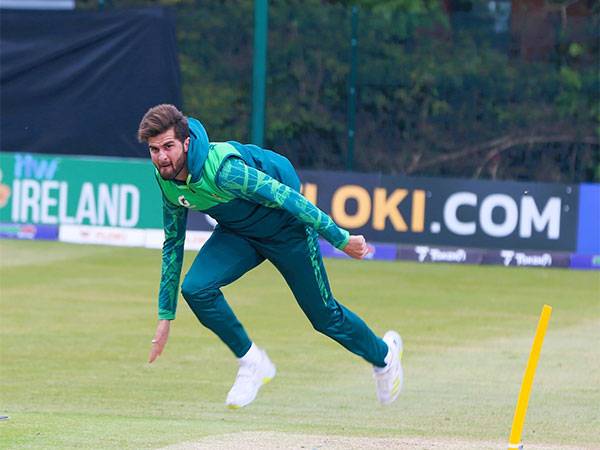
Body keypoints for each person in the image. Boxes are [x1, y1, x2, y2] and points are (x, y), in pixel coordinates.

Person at [138, 104, 403, 409]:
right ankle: (252, 363)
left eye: (168, 146)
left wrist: (340, 238)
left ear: (186, 142)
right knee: (196, 289)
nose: (161, 157)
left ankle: (385, 357)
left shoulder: (224, 171)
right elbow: (173, 241)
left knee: (324, 316)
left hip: (286, 230)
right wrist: (165, 314)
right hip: (239, 233)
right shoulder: (165, 179)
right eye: (154, 149)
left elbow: (286, 196)